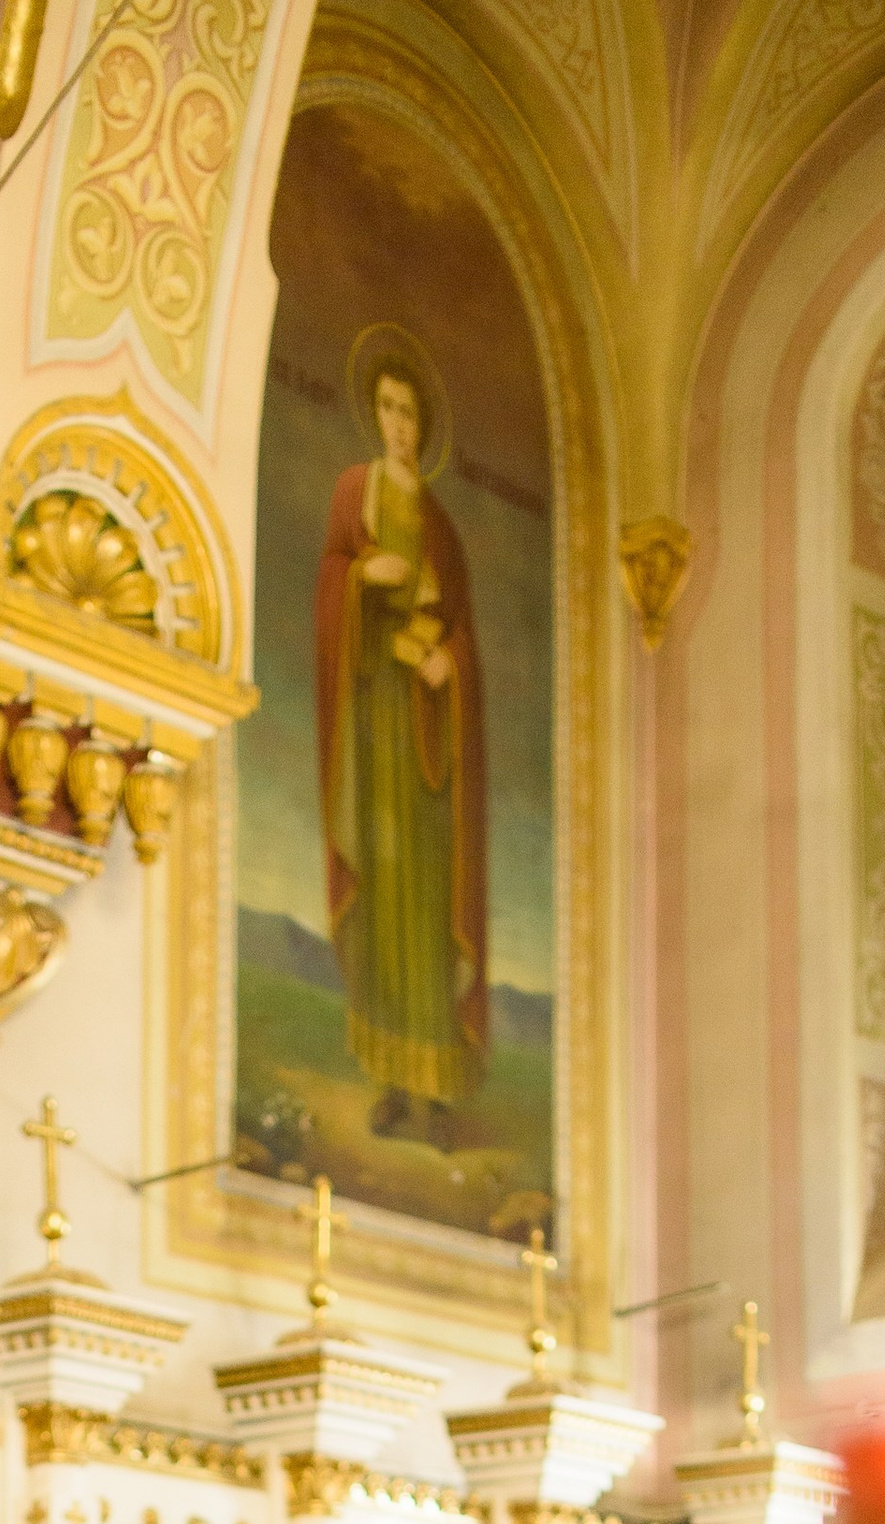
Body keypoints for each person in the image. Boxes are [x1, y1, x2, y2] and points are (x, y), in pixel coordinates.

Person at [317, 347, 487, 1147]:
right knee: (385, 891)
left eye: (410, 412)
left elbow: (461, 627)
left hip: (429, 737)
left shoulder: (443, 526)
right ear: (373, 413)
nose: (398, 424)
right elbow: (332, 582)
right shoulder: (357, 491)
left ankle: (439, 1084)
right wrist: (360, 579)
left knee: (428, 893)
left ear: (425, 424)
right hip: (376, 720)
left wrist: (448, 656)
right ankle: (390, 1079)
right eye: (387, 407)